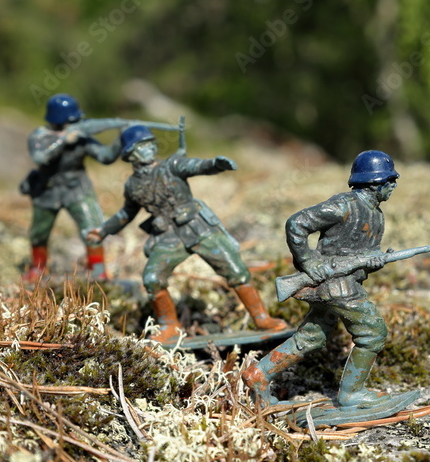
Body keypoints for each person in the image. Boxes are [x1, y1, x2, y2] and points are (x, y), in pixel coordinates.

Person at [87, 125, 286, 347]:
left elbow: (196, 165)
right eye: (143, 146)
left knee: (236, 271)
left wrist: (215, 165)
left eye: (152, 144)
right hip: (169, 237)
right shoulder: (132, 186)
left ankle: (261, 318)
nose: (151, 148)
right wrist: (103, 231)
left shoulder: (171, 166)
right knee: (152, 279)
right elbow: (126, 214)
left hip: (199, 228)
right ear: (130, 154)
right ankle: (170, 326)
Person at [242, 150, 399, 409]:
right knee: (373, 332)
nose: (393, 186)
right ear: (375, 183)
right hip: (337, 288)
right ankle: (352, 394)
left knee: (311, 338)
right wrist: (308, 261)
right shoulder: (344, 205)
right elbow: (296, 224)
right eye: (389, 181)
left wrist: (376, 261)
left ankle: (259, 374)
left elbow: (359, 259)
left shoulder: (376, 215)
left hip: (342, 284)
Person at [21, 93, 119, 282]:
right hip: (47, 190)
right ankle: (38, 269)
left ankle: (98, 271)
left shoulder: (81, 137)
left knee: (92, 231)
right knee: (39, 234)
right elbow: (40, 157)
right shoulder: (40, 136)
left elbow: (105, 157)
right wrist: (64, 140)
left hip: (77, 190)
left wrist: (120, 141)